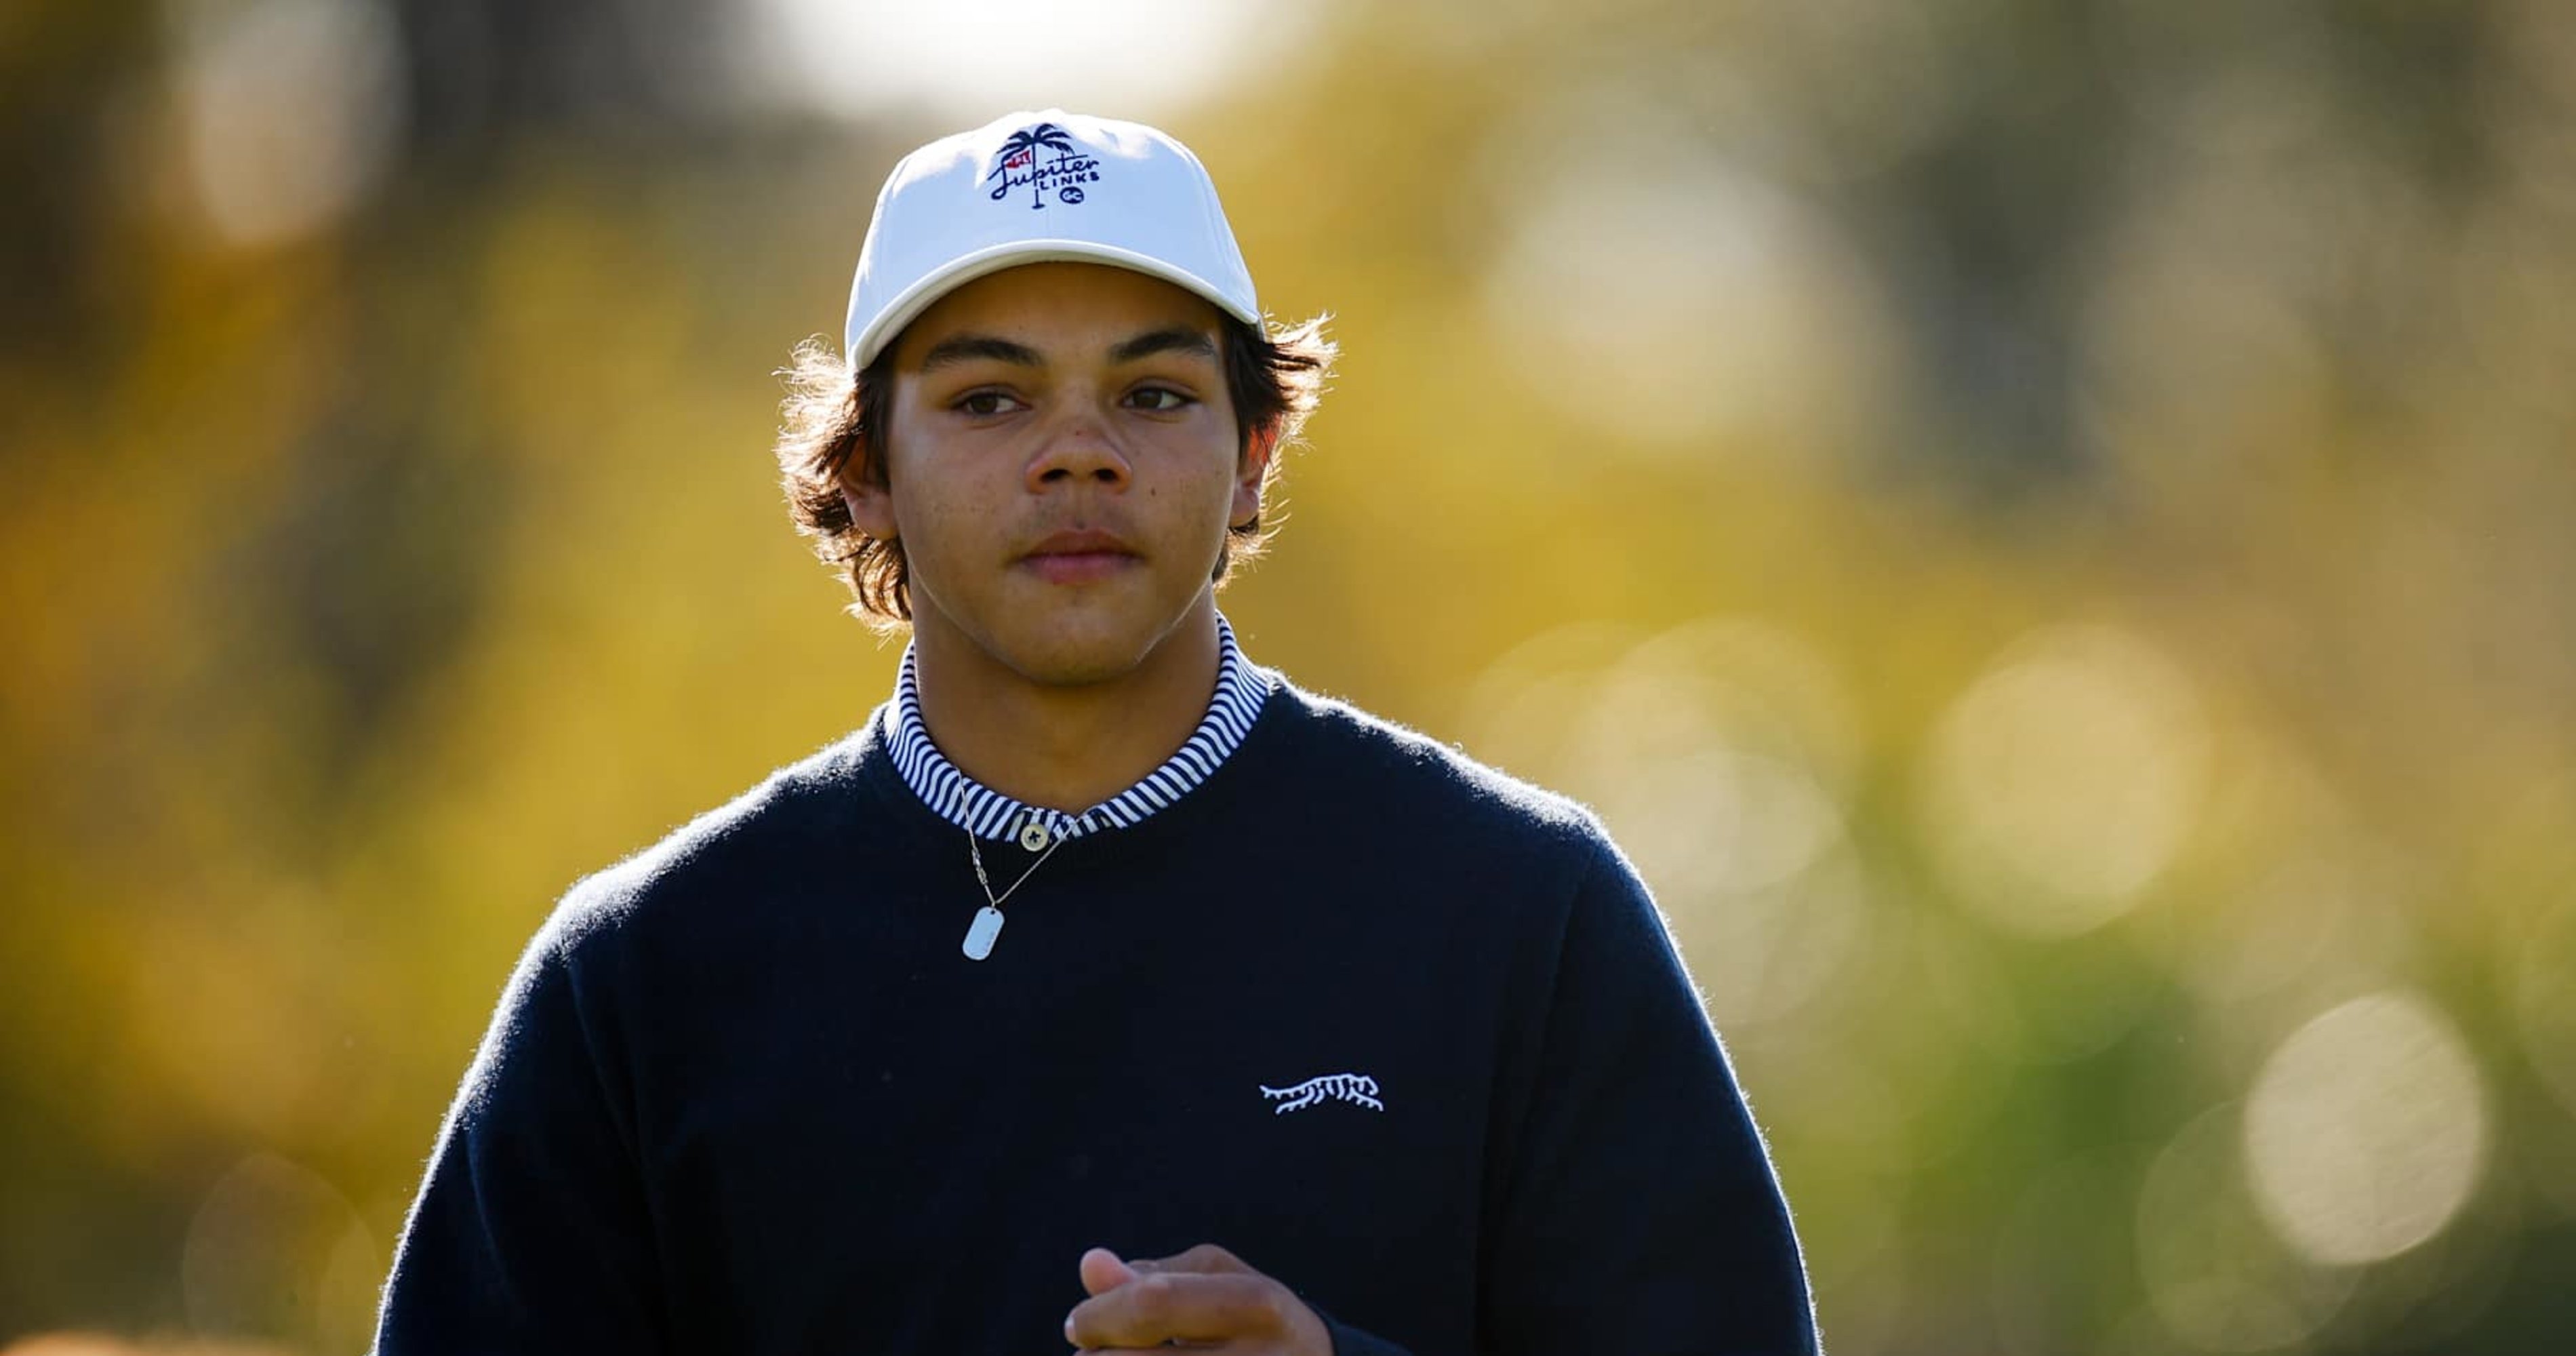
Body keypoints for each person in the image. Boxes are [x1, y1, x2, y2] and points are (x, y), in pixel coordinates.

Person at [374, 108, 1819, 1355]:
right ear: (865, 473)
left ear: (1253, 459)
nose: (1079, 449)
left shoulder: (1522, 916)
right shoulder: (640, 982)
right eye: (991, 397)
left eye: (1152, 393)